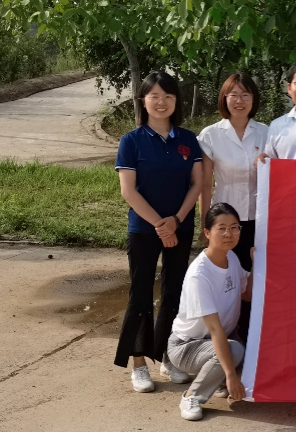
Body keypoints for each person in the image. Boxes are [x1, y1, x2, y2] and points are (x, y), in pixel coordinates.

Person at [113, 71, 203, 392]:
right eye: (154, 96)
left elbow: (197, 184)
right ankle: (138, 363)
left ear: (176, 101)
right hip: (143, 229)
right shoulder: (131, 141)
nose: (161, 102)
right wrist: (160, 225)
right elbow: (129, 191)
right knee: (140, 295)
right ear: (143, 101)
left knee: (174, 293)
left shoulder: (188, 139)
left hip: (181, 226)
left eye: (168, 96)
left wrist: (176, 220)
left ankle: (168, 356)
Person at [198, 73, 267, 341]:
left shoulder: (267, 132)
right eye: (233, 95)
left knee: (255, 280)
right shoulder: (211, 134)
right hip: (225, 221)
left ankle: (252, 339)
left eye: (245, 95)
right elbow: (205, 184)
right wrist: (205, 224)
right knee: (226, 280)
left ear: (253, 99)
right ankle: (225, 339)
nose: (239, 101)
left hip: (259, 219)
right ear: (224, 99)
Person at [167, 203, 252, 421]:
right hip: (187, 345)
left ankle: (219, 378)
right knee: (234, 352)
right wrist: (231, 375)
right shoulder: (200, 274)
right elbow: (214, 329)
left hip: (223, 338)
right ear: (207, 233)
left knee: (250, 372)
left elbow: (247, 295)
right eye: (221, 228)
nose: (228, 234)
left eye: (234, 227)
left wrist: (256, 264)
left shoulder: (231, 258)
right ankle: (192, 397)